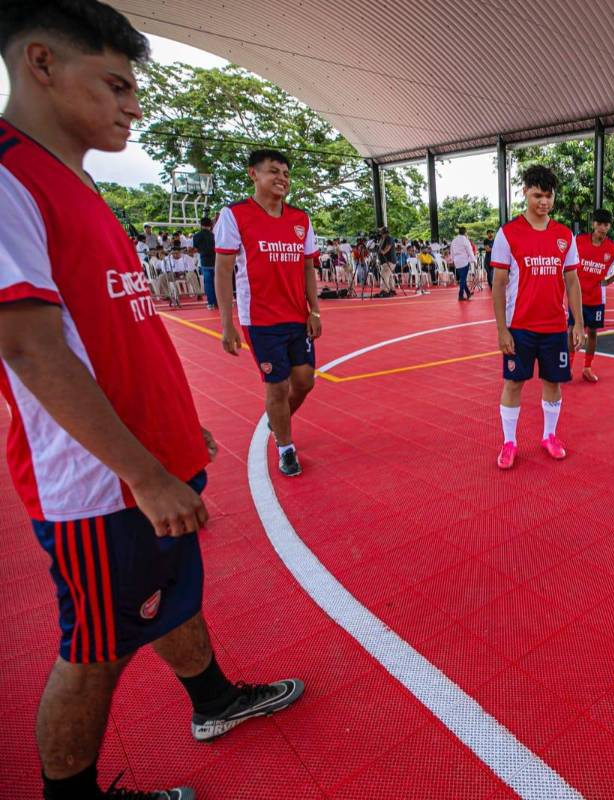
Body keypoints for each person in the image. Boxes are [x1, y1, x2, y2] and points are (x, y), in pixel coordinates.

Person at [0, 5, 304, 799]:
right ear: (40, 63)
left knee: (167, 600)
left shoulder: (75, 185)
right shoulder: (6, 179)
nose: (134, 104)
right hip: (98, 486)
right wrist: (141, 472)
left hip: (145, 458)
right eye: (116, 83)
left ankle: (213, 700)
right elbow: (30, 350)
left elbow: (115, 327)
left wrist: (172, 429)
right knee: (93, 650)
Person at [214, 148, 321, 478]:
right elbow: (223, 269)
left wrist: (314, 310)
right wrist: (227, 323)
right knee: (276, 387)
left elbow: (307, 268)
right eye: (274, 171)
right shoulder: (234, 215)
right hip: (260, 320)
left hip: (296, 315)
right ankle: (285, 447)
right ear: (253, 174)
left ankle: (278, 422)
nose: (282, 179)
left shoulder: (300, 219)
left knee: (304, 382)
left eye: (286, 174)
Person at [491, 165, 584, 470]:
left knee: (553, 383)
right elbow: (499, 284)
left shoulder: (564, 235)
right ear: (525, 193)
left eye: (548, 196)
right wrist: (502, 329)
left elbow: (572, 281)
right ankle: (509, 442)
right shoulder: (508, 233)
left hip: (555, 327)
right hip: (519, 327)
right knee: (513, 383)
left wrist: (578, 323)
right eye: (537, 195)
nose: (543, 202)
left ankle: (549, 435)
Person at [572, 208, 614, 382]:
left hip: (597, 299)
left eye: (606, 225)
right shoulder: (579, 240)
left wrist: (609, 280)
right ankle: (568, 367)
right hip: (577, 295)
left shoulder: (613, 248)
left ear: (609, 226)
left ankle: (587, 368)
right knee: (570, 331)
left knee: (593, 333)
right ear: (593, 224)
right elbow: (566, 260)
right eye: (599, 224)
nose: (602, 228)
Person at [192, 216, 217, 309]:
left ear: (201, 225)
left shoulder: (196, 236)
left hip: (205, 262)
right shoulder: (214, 235)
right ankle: (218, 302)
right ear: (210, 225)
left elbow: (196, 249)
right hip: (215, 261)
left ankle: (211, 303)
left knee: (208, 283)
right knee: (217, 283)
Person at [450, 225, 476, 300]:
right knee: (463, 279)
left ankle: (468, 293)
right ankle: (460, 295)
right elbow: (470, 251)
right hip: (464, 261)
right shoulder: (465, 240)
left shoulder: (454, 240)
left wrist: (452, 260)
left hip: (457, 261)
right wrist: (474, 260)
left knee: (462, 278)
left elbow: (451, 251)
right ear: (465, 232)